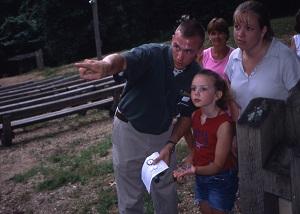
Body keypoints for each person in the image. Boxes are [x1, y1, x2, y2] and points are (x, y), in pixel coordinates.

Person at [75, 15, 205, 214]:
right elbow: (123, 60)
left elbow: (187, 114)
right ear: (172, 40)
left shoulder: (196, 75)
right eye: (177, 47)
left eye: (188, 51)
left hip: (162, 134)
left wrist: (171, 144)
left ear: (199, 51)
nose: (180, 56)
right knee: (130, 195)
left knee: (165, 189)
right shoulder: (152, 54)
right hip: (129, 129)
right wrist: (105, 66)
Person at [173, 69, 238, 214]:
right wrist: (190, 159)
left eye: (203, 89)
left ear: (217, 95)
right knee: (205, 210)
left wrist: (193, 170)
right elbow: (199, 145)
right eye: (193, 88)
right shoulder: (196, 115)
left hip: (221, 178)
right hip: (201, 176)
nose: (196, 92)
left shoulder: (224, 125)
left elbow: (218, 165)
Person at [225, 0, 300, 118]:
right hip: (245, 134)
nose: (240, 34)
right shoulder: (233, 58)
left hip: (280, 133)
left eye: (249, 28)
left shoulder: (284, 58)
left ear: (263, 31)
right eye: (237, 27)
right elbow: (231, 94)